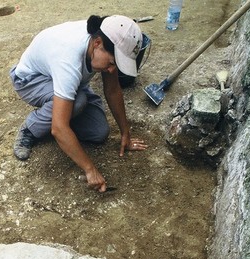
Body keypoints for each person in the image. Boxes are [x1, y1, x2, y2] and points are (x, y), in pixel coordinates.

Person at [10, 15, 149, 192]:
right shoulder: (68, 58)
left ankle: (63, 111)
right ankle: (31, 128)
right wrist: (90, 170)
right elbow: (58, 128)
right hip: (31, 80)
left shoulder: (106, 38)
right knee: (77, 104)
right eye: (113, 62)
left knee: (99, 132)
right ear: (97, 43)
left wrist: (125, 133)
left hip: (66, 80)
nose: (112, 70)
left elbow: (113, 89)